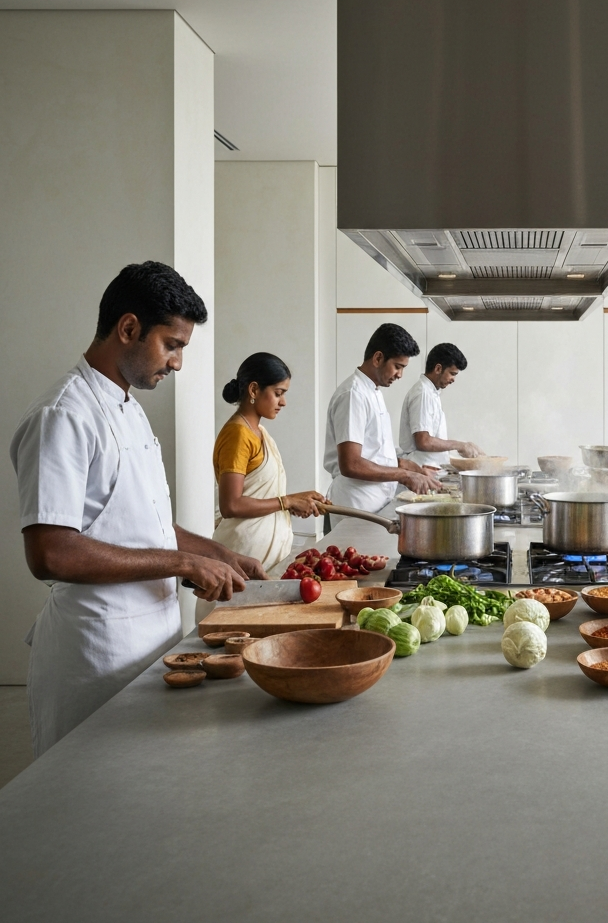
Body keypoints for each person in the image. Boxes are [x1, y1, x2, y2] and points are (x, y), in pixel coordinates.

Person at [11, 261, 266, 757]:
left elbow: (142, 524)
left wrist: (217, 552)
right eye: (172, 345)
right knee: (91, 810)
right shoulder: (62, 415)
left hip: (151, 644)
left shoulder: (128, 408)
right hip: (97, 653)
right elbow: (50, 552)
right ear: (129, 328)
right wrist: (184, 563)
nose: (177, 363)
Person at [212, 352, 324, 574]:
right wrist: (288, 502)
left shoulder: (259, 432)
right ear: (254, 390)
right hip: (242, 554)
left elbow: (260, 494)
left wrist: (298, 500)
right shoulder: (238, 434)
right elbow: (231, 505)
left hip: (261, 557)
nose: (283, 402)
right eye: (278, 393)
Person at [323, 322, 442, 515]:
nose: (400, 375)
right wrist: (404, 476)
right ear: (378, 358)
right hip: (357, 503)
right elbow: (351, 463)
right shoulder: (353, 395)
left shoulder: (373, 391)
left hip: (375, 501)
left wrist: (412, 468)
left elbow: (375, 452)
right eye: (397, 367)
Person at [398, 342, 484, 467]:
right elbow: (423, 441)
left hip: (429, 471)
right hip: (420, 471)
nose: (453, 379)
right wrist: (461, 445)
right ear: (438, 368)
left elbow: (432, 443)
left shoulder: (431, 393)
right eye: (452, 374)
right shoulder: (423, 393)